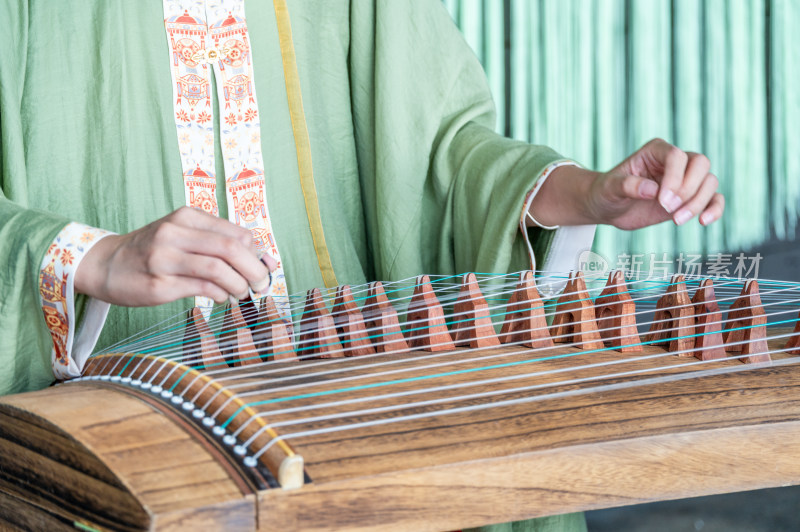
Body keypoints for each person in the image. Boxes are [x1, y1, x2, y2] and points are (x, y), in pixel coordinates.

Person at [0, 1, 721, 530]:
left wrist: (586, 195)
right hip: (115, 429)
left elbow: (440, 150)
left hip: (340, 400)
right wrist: (87, 256)